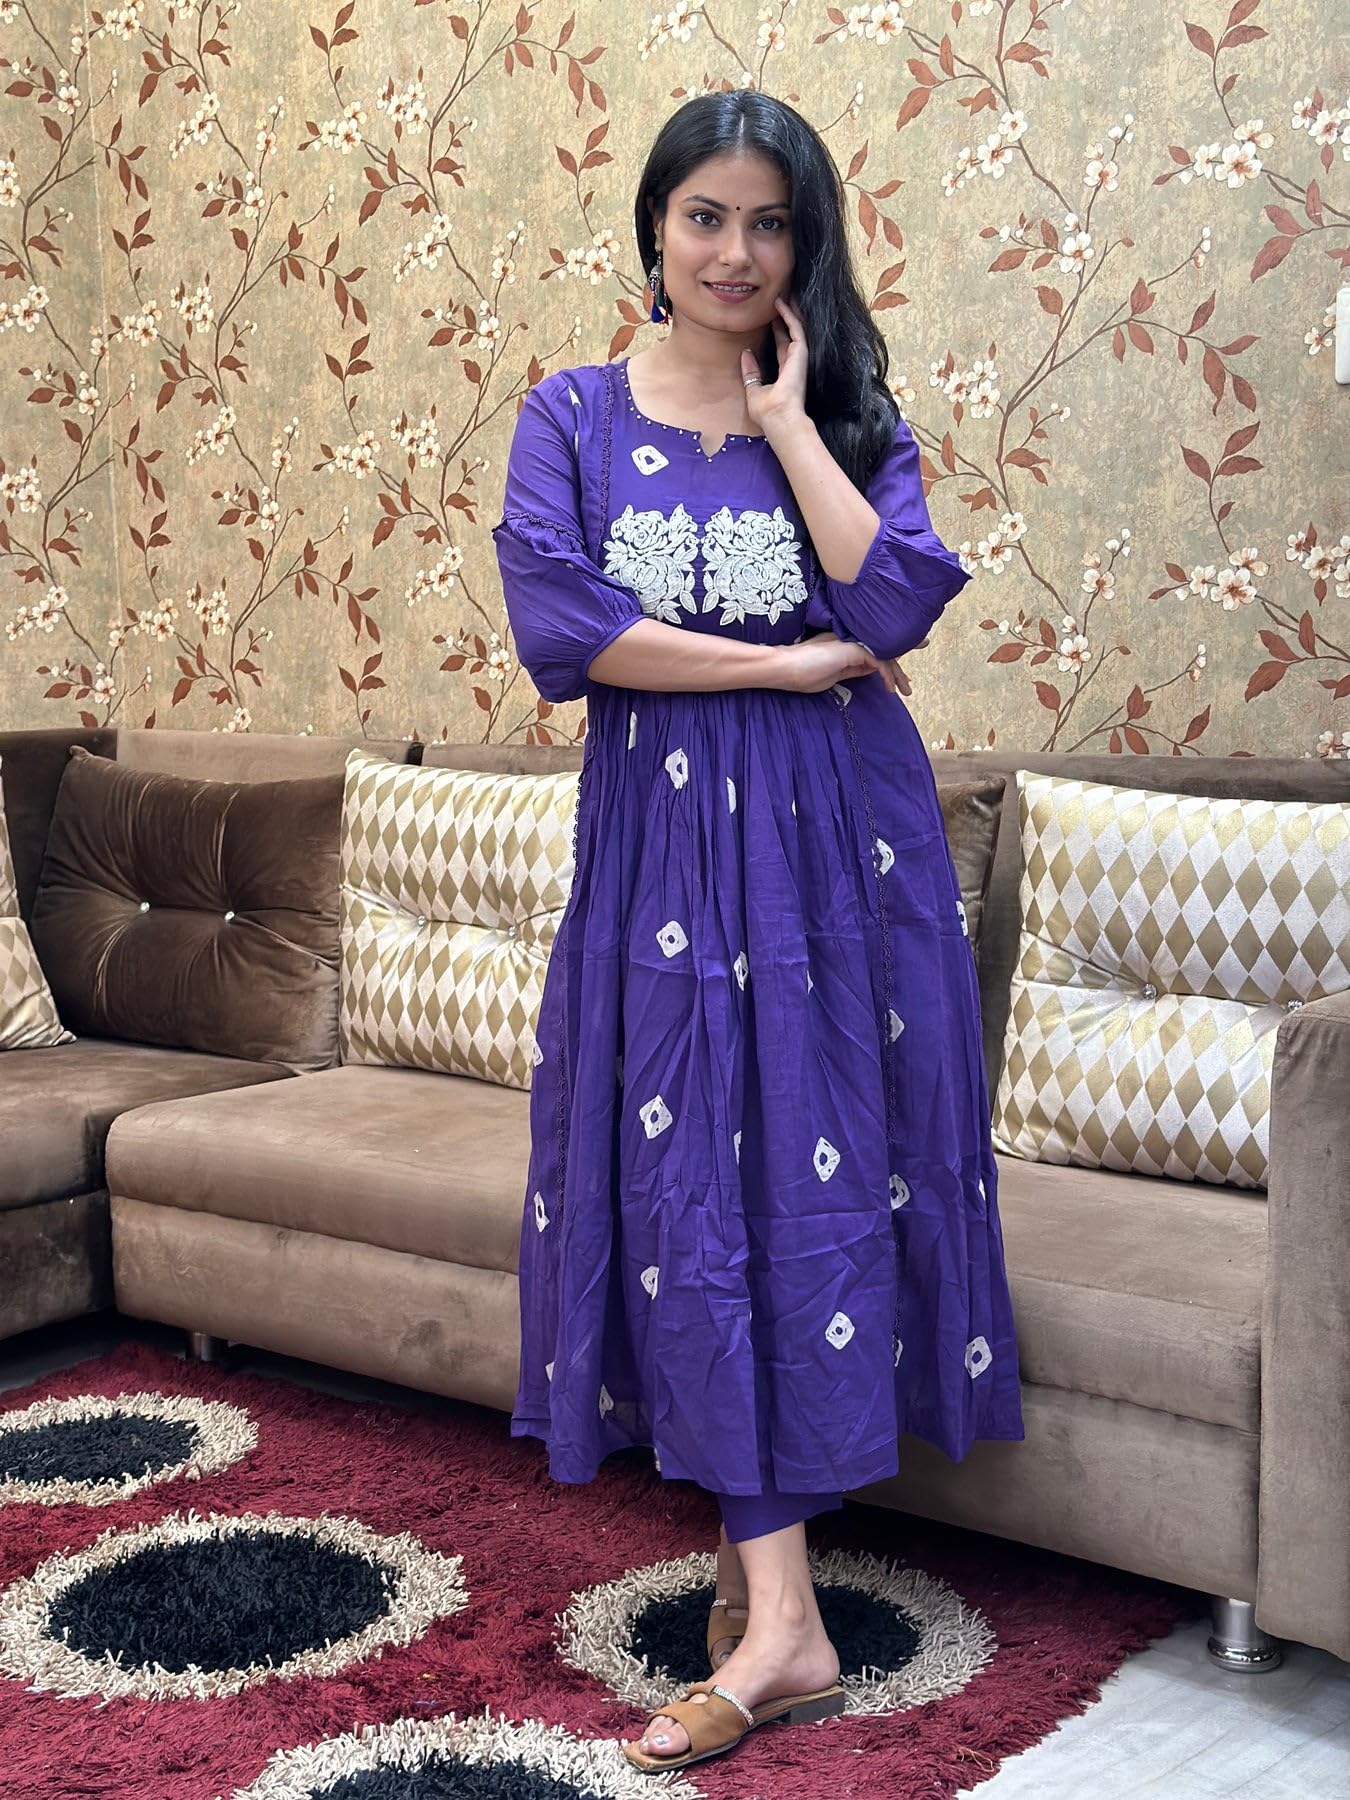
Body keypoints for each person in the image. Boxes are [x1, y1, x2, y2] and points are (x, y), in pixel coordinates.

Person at [491, 90, 1024, 1778]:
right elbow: (571, 629)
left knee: (805, 1171)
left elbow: (896, 598)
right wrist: (784, 665)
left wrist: (791, 425)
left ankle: (777, 1612)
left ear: (806, 244)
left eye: (769, 223)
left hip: (836, 858)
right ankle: (770, 1582)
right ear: (653, 227)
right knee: (689, 1180)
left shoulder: (848, 412)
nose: (734, 252)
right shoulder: (570, 414)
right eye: (704, 216)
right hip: (663, 858)